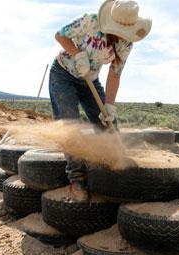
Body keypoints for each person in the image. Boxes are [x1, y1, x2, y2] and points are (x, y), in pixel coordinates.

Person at [49, 0, 152, 200]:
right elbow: (59, 35)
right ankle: (76, 179)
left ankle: (114, 170)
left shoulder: (126, 43)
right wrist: (77, 54)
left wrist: (109, 107)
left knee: (107, 122)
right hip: (63, 75)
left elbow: (115, 74)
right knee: (71, 125)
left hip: (90, 82)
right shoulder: (90, 21)